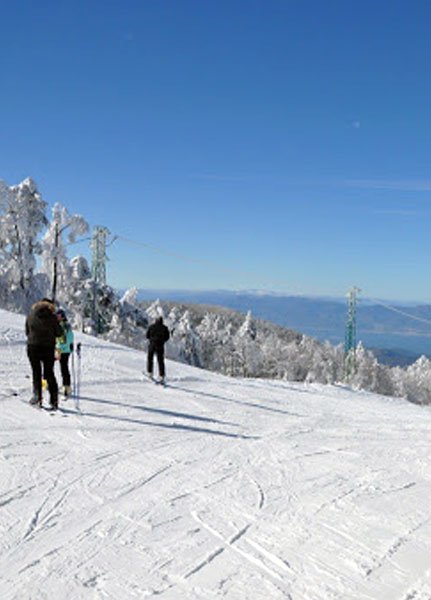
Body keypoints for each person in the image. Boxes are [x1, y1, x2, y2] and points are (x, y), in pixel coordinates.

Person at [25, 298, 62, 409]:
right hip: (48, 348)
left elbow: (27, 331)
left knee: (36, 372)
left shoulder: (30, 315)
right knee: (49, 373)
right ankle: (54, 400)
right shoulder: (52, 317)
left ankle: (37, 397)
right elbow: (59, 333)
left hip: (33, 347)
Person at [55, 309, 74, 397]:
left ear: (62, 316)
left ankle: (67, 387)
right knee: (64, 368)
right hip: (64, 350)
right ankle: (66, 386)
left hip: (63, 350)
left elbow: (66, 339)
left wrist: (59, 348)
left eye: (59, 316)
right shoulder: (64, 325)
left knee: (64, 368)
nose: (57, 317)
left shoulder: (64, 326)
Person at [146, 316, 170, 383]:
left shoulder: (151, 327)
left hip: (152, 345)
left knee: (150, 358)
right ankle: (161, 375)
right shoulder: (165, 328)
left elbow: (147, 336)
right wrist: (162, 341)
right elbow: (167, 337)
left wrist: (151, 339)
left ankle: (150, 372)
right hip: (160, 346)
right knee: (160, 361)